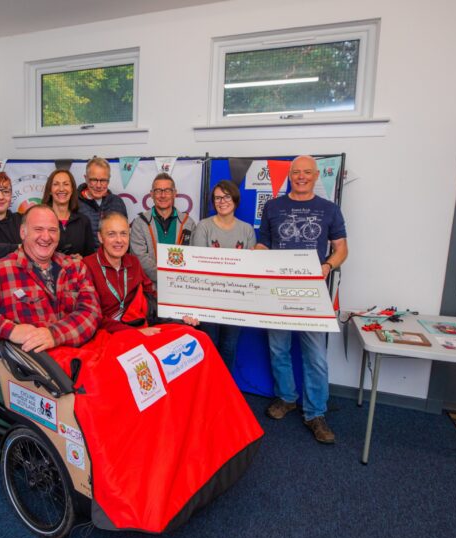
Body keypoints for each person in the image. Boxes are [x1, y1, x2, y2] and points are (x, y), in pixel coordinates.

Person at [255, 155, 348, 444]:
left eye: (307, 172)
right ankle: (286, 397)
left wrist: (327, 266)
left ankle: (315, 413)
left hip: (312, 292)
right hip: (278, 291)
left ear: (316, 175)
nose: (302, 176)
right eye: (297, 172)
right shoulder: (273, 206)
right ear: (290, 175)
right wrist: (257, 258)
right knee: (278, 348)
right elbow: (263, 243)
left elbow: (342, 249)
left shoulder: (329, 209)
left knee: (316, 357)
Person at [0, 205, 100, 355]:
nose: (46, 237)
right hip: (31, 374)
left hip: (79, 364)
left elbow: (91, 313)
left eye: (52, 230)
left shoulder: (76, 267)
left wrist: (54, 334)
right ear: (23, 232)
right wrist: (10, 330)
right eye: (38, 229)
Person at [190, 180, 256, 373]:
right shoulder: (203, 227)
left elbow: (250, 268)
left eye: (227, 197)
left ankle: (224, 390)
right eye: (218, 198)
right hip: (208, 298)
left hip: (236, 300)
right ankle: (207, 389)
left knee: (229, 347)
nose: (222, 201)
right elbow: (198, 262)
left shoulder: (247, 230)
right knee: (209, 344)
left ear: (235, 199)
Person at [83, 212, 158, 335]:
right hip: (106, 333)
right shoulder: (86, 266)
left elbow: (151, 294)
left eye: (124, 234)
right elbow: (92, 316)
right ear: (100, 237)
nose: (119, 240)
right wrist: (134, 333)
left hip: (136, 324)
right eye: (111, 234)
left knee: (188, 333)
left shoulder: (133, 262)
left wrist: (179, 315)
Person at [130, 172, 196, 288]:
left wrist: (178, 281)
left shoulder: (188, 223)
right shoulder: (140, 223)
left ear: (174, 193)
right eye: (158, 191)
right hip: (150, 291)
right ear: (151, 194)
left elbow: (193, 256)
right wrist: (168, 278)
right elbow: (139, 258)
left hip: (181, 288)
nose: (163, 195)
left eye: (167, 190)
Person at [41, 169, 94, 259]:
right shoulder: (40, 220)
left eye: (66, 184)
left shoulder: (83, 221)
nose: (61, 189)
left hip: (77, 272)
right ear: (50, 190)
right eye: (56, 184)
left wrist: (82, 261)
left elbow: (90, 257)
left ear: (72, 189)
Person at [78, 157, 127, 246]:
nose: (98, 185)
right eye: (94, 180)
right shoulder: (75, 204)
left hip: (113, 259)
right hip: (86, 259)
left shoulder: (117, 202)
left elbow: (125, 235)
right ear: (86, 178)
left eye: (103, 180)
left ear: (109, 180)